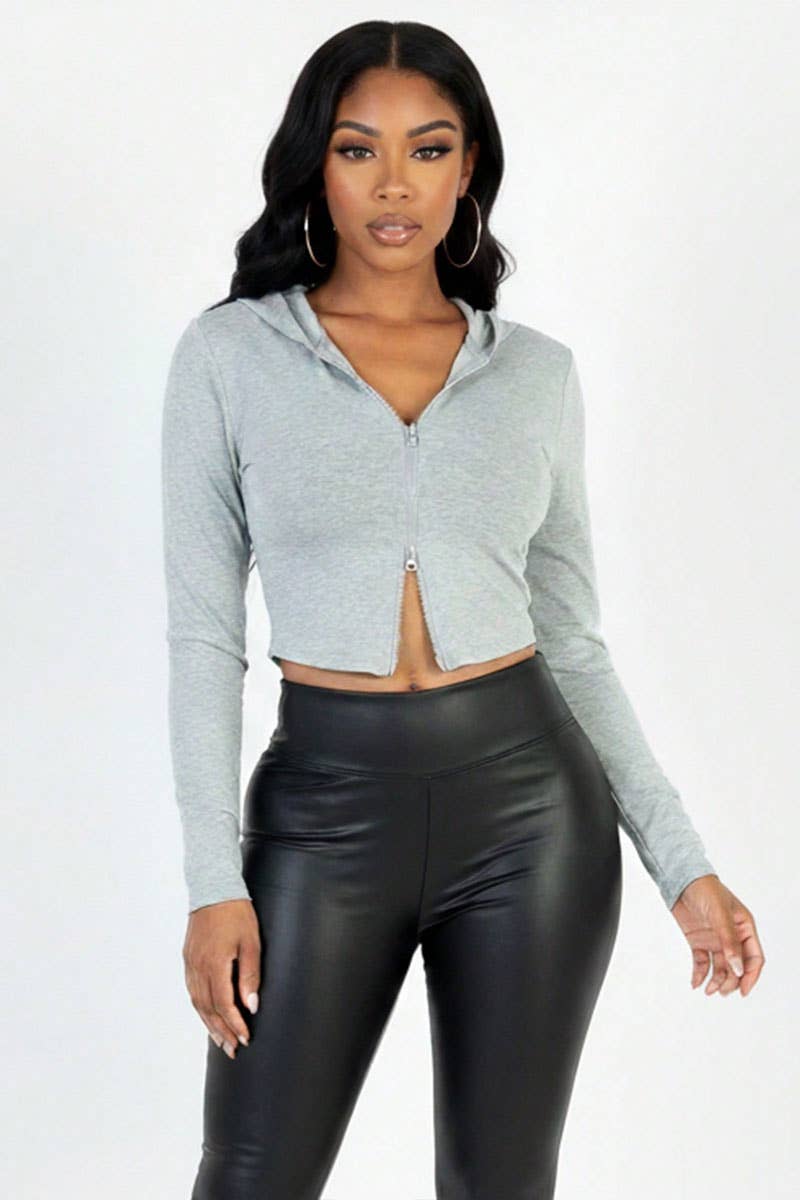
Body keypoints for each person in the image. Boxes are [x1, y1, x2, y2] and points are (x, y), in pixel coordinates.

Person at [160, 20, 765, 1200]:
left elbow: (572, 643)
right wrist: (210, 881)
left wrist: (682, 866)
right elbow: (201, 638)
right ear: (316, 164)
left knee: (500, 1183)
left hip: (529, 818)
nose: (394, 185)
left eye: (427, 149)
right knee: (250, 1174)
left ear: (467, 165)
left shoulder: (534, 375)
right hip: (320, 816)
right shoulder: (230, 359)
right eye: (358, 149)